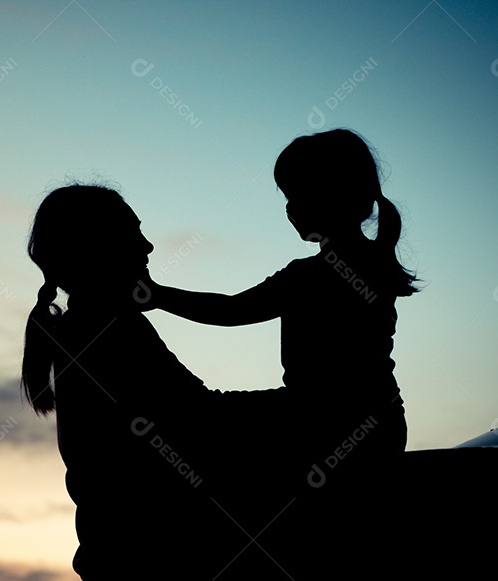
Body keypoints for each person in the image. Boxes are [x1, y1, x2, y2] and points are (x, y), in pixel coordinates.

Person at [21, 183, 272, 581]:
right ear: (100, 248)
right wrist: (314, 404)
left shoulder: (95, 328)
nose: (149, 248)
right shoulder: (109, 332)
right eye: (135, 234)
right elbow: (205, 422)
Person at [138, 128, 418, 484]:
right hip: (382, 425)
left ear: (333, 194)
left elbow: (231, 310)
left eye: (297, 194)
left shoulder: (309, 277)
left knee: (210, 416)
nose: (289, 207)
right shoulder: (376, 264)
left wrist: (158, 295)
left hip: (324, 424)